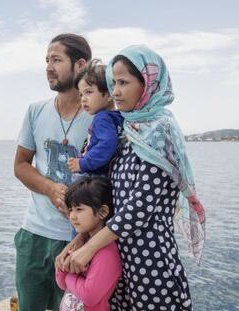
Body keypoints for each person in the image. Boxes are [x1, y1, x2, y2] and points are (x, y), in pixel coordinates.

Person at [57, 45, 206, 310]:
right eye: (114, 83)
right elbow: (111, 200)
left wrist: (89, 249)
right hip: (119, 259)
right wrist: (81, 239)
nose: (115, 91)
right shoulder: (129, 130)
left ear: (147, 84)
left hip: (151, 264)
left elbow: (138, 209)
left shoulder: (160, 134)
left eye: (123, 83)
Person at [13, 33, 93, 311]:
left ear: (80, 64)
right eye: (47, 60)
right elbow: (21, 165)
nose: (48, 66)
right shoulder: (35, 111)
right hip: (33, 235)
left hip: (78, 240)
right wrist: (50, 188)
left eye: (56, 59)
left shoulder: (99, 118)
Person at [55, 176, 122, 311]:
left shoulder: (106, 252)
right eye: (71, 209)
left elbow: (89, 296)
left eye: (79, 209)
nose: (72, 216)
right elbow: (62, 284)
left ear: (102, 212)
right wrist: (61, 267)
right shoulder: (81, 244)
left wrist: (68, 274)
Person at [67, 59, 123, 176]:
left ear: (109, 94)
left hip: (99, 178)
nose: (83, 99)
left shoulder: (102, 118)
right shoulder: (120, 116)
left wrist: (83, 163)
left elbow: (107, 143)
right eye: (81, 94)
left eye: (88, 92)